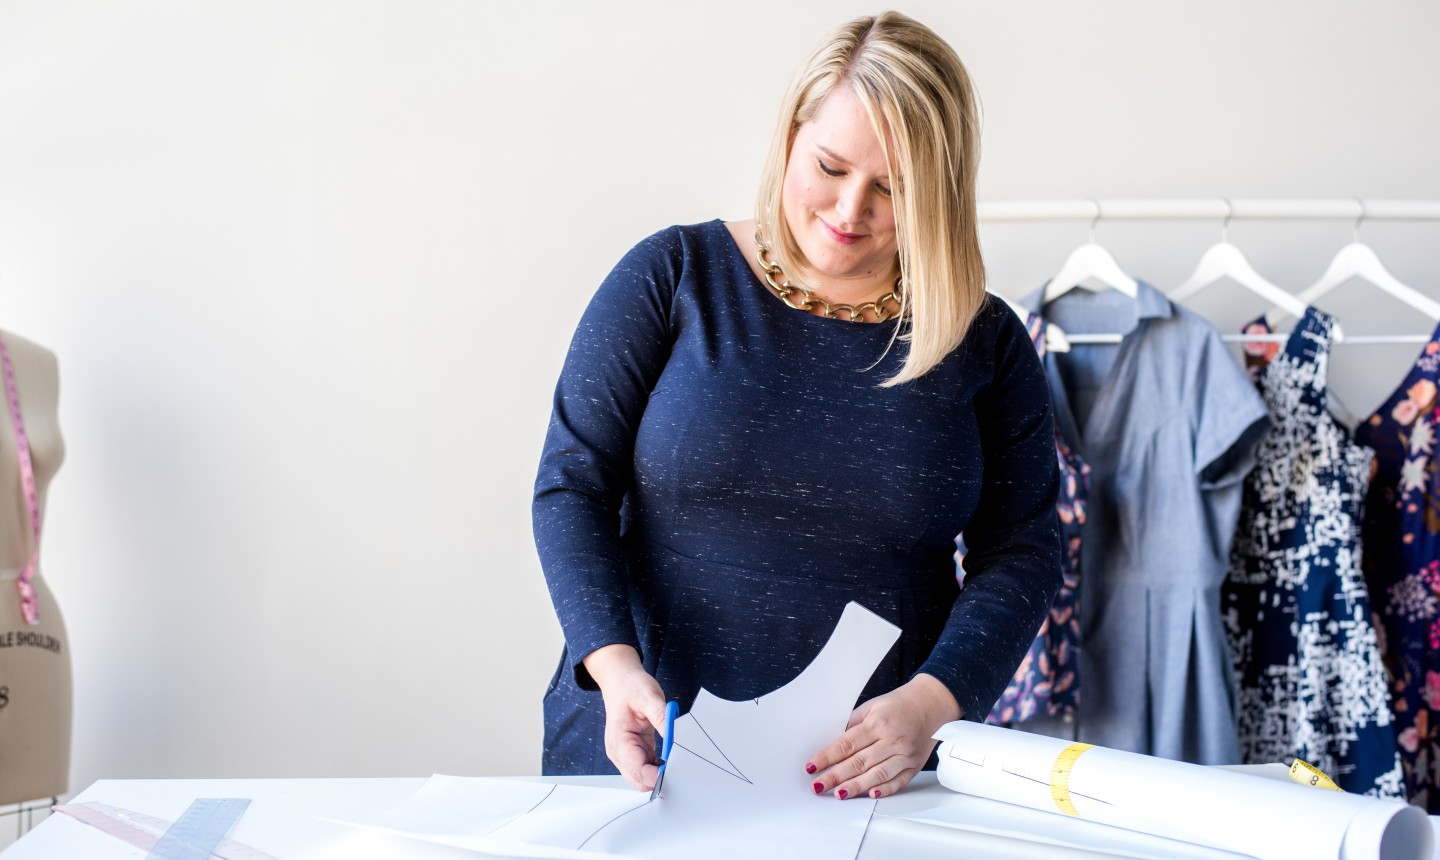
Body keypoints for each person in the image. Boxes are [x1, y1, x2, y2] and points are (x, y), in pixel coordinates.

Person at [533, 11, 1061, 802]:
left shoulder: (982, 340)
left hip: (874, 779)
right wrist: (612, 667)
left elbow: (1022, 552)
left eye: (893, 187)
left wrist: (935, 702)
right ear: (789, 135)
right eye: (830, 166)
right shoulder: (672, 277)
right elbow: (571, 485)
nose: (851, 211)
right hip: (641, 747)